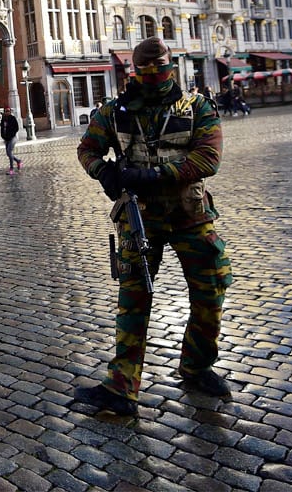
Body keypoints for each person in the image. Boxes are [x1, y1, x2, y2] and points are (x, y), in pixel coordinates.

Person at [74, 36, 231, 416]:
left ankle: (196, 365)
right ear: (134, 72)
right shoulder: (114, 112)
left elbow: (207, 159)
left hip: (190, 216)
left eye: (159, 70)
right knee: (133, 299)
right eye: (145, 72)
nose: (154, 78)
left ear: (171, 68)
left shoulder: (196, 107)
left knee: (211, 287)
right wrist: (105, 173)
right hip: (139, 217)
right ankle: (122, 385)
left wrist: (155, 174)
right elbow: (87, 149)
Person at [0, 106, 22, 174]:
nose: (7, 112)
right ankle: (18, 161)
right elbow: (2, 129)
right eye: (6, 111)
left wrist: (11, 134)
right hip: (6, 138)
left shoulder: (12, 118)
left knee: (10, 152)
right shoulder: (3, 119)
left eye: (8, 111)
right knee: (8, 153)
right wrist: (3, 136)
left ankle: (11, 169)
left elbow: (16, 128)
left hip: (13, 138)